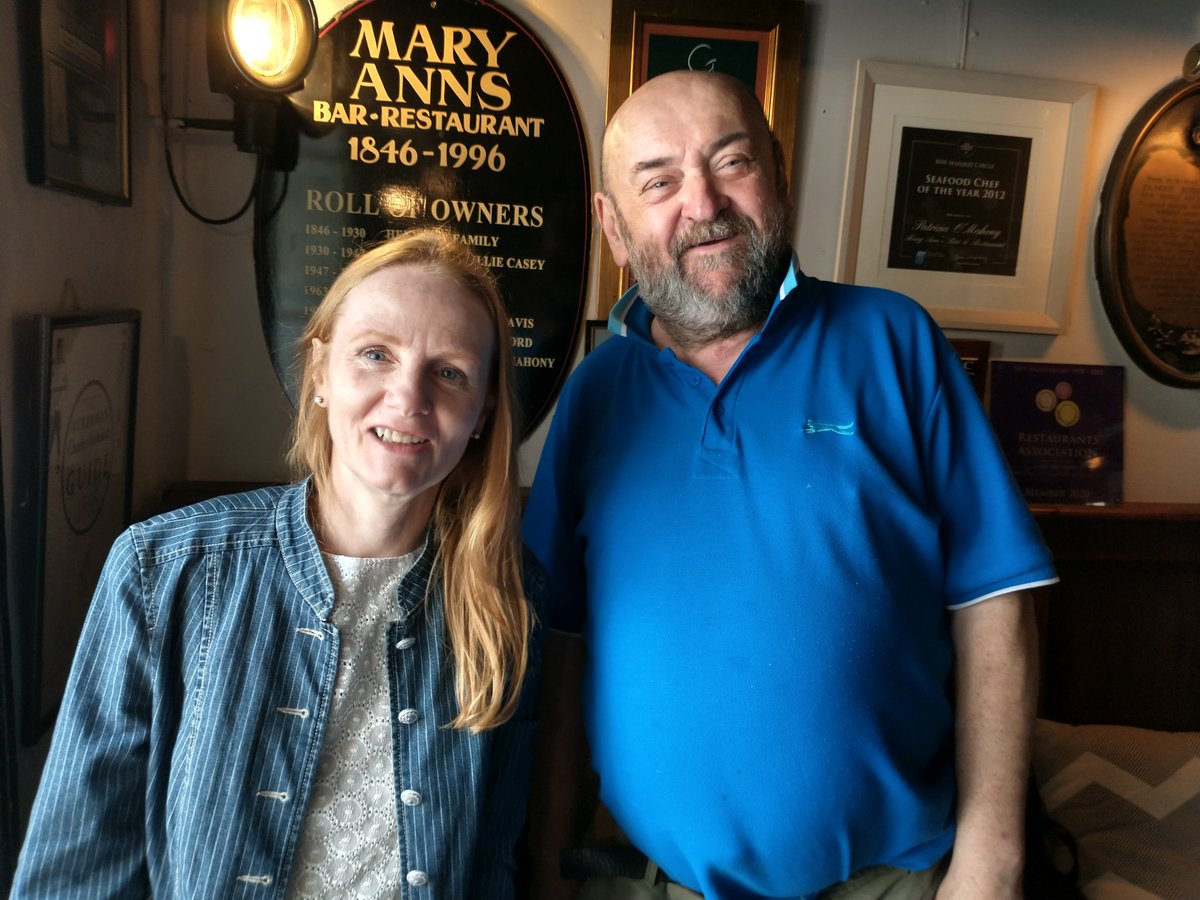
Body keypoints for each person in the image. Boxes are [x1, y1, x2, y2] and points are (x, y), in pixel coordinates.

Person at [523, 70, 1058, 900]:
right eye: (659, 181)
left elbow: (997, 599)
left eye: (731, 162)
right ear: (613, 225)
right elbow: (561, 648)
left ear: (777, 174)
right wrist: (546, 859)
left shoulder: (894, 340)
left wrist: (992, 861)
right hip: (655, 882)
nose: (702, 204)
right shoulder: (596, 395)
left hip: (896, 882)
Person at [13, 228, 544, 899]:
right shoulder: (160, 568)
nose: (409, 398)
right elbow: (77, 867)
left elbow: (494, 861)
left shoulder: (511, 594)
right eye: (375, 354)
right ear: (320, 372)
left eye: (449, 372)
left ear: (482, 408)